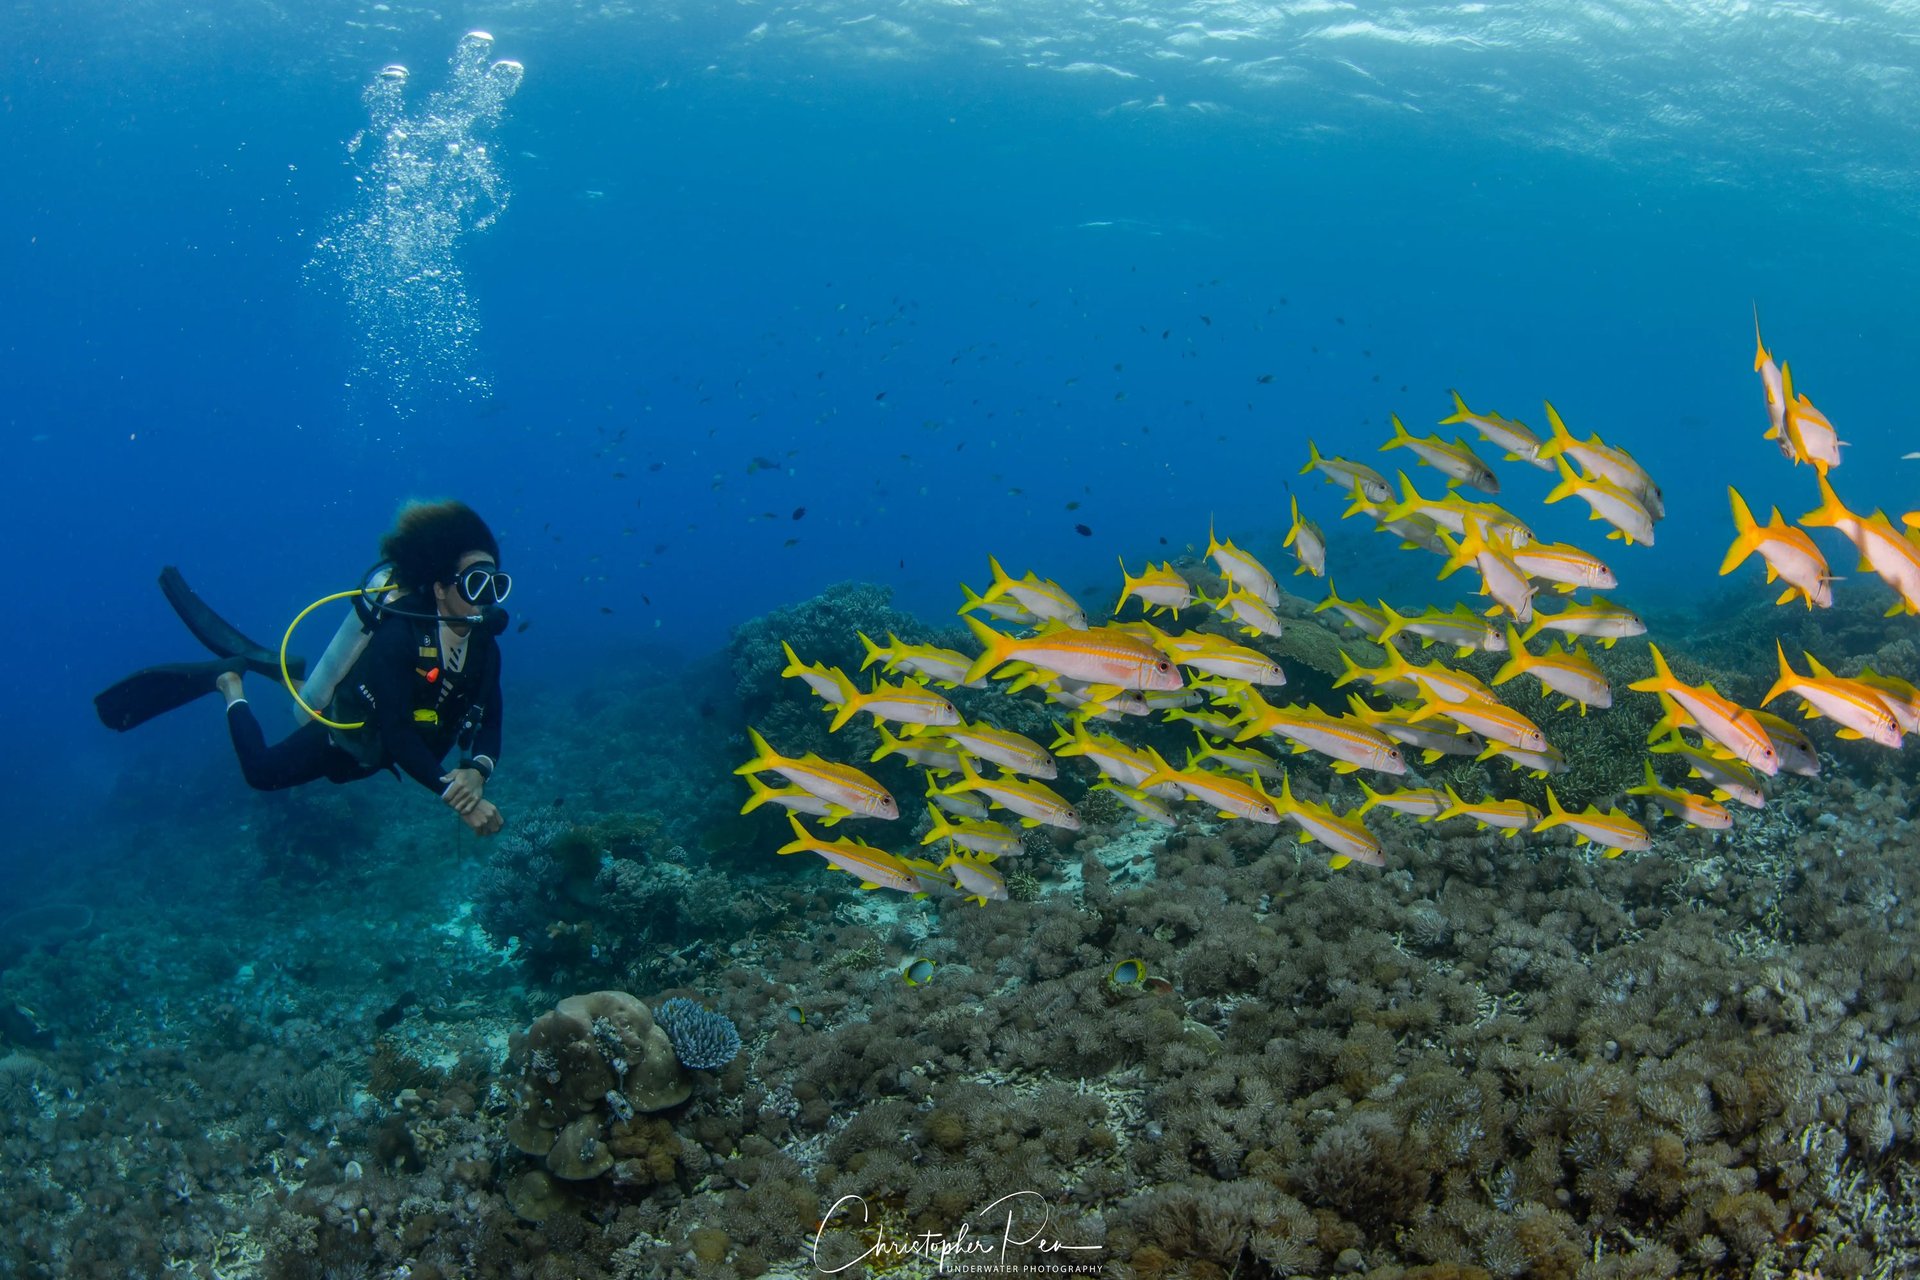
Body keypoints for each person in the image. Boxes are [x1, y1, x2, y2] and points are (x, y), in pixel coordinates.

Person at [95, 500, 509, 837]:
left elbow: (491, 720)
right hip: (347, 735)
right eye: (476, 583)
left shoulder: (486, 649)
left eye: (497, 585)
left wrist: (478, 770)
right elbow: (398, 732)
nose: (488, 598)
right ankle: (229, 681)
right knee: (261, 773)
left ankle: (285, 673)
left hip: (388, 750)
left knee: (354, 741)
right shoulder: (399, 638)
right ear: (440, 588)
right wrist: (455, 795)